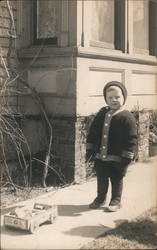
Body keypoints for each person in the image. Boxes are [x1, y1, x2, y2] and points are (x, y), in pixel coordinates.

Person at [86, 81, 138, 212]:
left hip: (117, 157)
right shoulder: (102, 113)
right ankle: (100, 198)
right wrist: (90, 148)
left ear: (124, 98)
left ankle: (116, 200)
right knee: (101, 178)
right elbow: (93, 131)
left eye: (117, 97)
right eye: (110, 97)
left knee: (116, 178)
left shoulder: (127, 117)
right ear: (106, 99)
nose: (114, 100)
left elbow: (131, 138)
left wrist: (127, 156)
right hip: (100, 155)